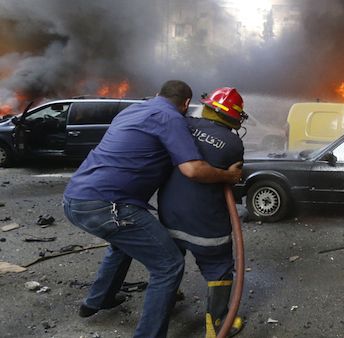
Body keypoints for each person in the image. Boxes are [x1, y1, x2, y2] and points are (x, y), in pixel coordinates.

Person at [62, 80, 242, 338]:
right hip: (110, 206)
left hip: (75, 198)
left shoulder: (133, 110)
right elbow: (192, 169)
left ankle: (96, 301)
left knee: (122, 244)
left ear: (158, 94)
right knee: (169, 265)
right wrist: (227, 175)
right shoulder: (171, 119)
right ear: (187, 103)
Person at [158, 87, 246, 338]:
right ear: (234, 117)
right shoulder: (232, 143)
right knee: (219, 267)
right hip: (205, 223)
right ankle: (218, 324)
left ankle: (166, 303)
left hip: (169, 214)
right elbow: (234, 176)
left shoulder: (181, 124)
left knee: (169, 262)